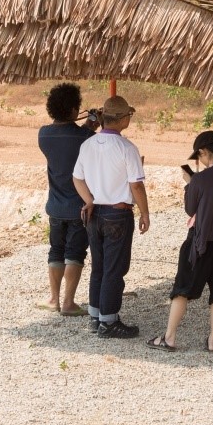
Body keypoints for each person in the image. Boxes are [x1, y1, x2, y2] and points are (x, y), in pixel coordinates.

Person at [146, 130, 213, 352]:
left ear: (203, 151)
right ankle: (212, 341)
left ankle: (169, 337)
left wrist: (190, 183)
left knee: (182, 289)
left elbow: (191, 209)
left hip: (200, 241)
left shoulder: (199, 179)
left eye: (199, 157)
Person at [73, 95, 151, 339]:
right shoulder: (127, 148)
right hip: (118, 213)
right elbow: (136, 186)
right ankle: (109, 321)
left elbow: (77, 177)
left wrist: (88, 201)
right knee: (114, 269)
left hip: (94, 211)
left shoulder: (87, 145)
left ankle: (96, 316)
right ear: (123, 119)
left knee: (99, 266)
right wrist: (145, 213)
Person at [37, 83, 97, 315]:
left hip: (55, 205)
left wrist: (86, 124)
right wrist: (92, 123)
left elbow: (67, 136)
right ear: (74, 109)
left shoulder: (43, 134)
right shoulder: (86, 137)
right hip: (80, 206)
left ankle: (53, 299)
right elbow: (82, 139)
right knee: (75, 253)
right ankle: (69, 302)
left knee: (56, 251)